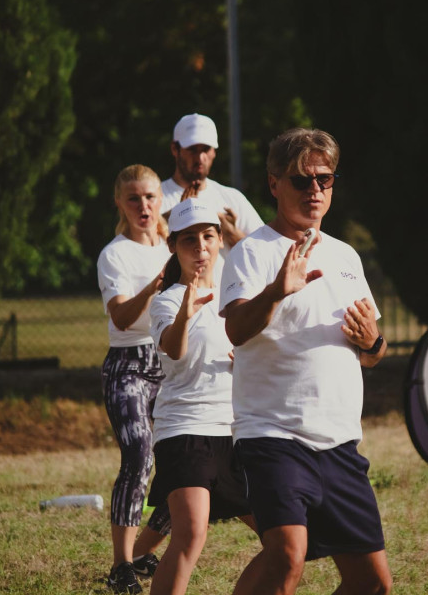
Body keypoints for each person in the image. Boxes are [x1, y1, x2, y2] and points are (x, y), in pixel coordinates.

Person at [219, 128, 393, 595]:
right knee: (287, 558)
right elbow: (235, 329)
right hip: (274, 435)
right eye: (302, 180)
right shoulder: (250, 254)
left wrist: (373, 341)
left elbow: (373, 354)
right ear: (274, 183)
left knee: (372, 584)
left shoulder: (345, 256)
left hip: (339, 442)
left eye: (325, 179)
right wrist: (276, 290)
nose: (315, 190)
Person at [146, 197, 256, 595]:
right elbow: (173, 349)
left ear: (220, 240)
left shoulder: (237, 296)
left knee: (285, 535)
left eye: (208, 236)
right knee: (191, 535)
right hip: (185, 429)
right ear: (174, 245)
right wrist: (185, 314)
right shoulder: (166, 300)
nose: (201, 247)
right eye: (189, 239)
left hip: (237, 430)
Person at [97, 164, 172, 594]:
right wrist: (153, 286)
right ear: (120, 203)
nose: (143, 206)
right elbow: (123, 318)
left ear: (160, 199)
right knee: (140, 454)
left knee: (189, 465)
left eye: (149, 197)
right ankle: (122, 566)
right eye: (133, 198)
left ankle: (143, 551)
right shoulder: (114, 254)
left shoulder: (175, 242)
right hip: (128, 364)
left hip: (172, 361)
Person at [161, 113, 263, 260]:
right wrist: (176, 215)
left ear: (214, 152)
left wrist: (231, 233)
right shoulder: (152, 198)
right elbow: (139, 249)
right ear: (174, 149)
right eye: (192, 149)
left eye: (206, 149)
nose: (200, 157)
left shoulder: (232, 198)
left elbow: (264, 253)